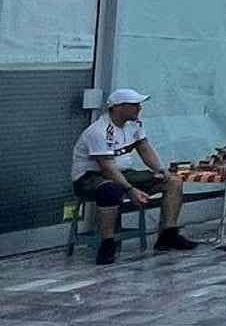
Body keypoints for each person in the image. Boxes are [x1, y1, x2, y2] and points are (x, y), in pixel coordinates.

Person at [70, 89, 197, 265]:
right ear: (118, 108)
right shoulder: (98, 131)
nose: (139, 108)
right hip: (91, 176)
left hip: (124, 172)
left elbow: (144, 148)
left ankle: (168, 235)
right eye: (134, 105)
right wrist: (130, 190)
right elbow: (107, 168)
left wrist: (160, 170)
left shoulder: (134, 125)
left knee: (173, 182)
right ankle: (107, 243)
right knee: (110, 190)